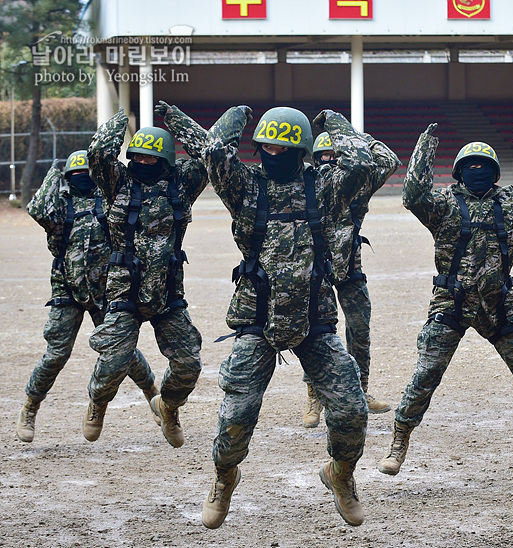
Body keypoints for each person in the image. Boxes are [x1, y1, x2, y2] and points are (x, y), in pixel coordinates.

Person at [199, 105, 375, 529]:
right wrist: (236, 118)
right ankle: (224, 478)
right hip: (257, 321)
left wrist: (335, 123)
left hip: (315, 318)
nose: (273, 153)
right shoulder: (244, 187)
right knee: (235, 418)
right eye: (266, 146)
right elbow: (214, 152)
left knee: (352, 409)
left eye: (284, 146)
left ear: (302, 151)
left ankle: (340, 475)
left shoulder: (325, 186)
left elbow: (373, 162)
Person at [379, 122, 513, 478]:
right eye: (470, 166)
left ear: (495, 173)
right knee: (426, 373)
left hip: (498, 302)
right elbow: (412, 196)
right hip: (451, 302)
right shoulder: (443, 205)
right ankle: (400, 439)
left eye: (483, 166)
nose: (477, 171)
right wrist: (426, 146)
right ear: (458, 173)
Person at [83, 107, 208, 447]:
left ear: (165, 160)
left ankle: (167, 407)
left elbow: (209, 152)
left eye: (151, 158)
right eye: (136, 155)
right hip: (125, 292)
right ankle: (98, 401)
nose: (142, 162)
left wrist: (177, 120)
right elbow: (97, 153)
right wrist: (118, 121)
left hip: (167, 293)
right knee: (114, 364)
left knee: (188, 364)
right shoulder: (117, 182)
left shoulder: (182, 183)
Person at [17, 151, 159, 443]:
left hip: (104, 290)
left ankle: (153, 396)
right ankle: (30, 407)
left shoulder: (108, 202)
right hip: (67, 289)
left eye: (87, 173)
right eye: (74, 175)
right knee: (56, 354)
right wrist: (54, 174)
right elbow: (37, 209)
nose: (81, 179)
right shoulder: (59, 205)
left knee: (124, 353)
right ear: (68, 178)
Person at [301, 131, 400, 428]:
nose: (329, 162)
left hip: (350, 268)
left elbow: (389, 161)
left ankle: (361, 391)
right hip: (316, 270)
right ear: (315, 160)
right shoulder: (307, 184)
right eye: (323, 157)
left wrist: (359, 137)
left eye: (335, 156)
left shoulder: (358, 183)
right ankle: (314, 395)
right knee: (314, 332)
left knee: (359, 329)